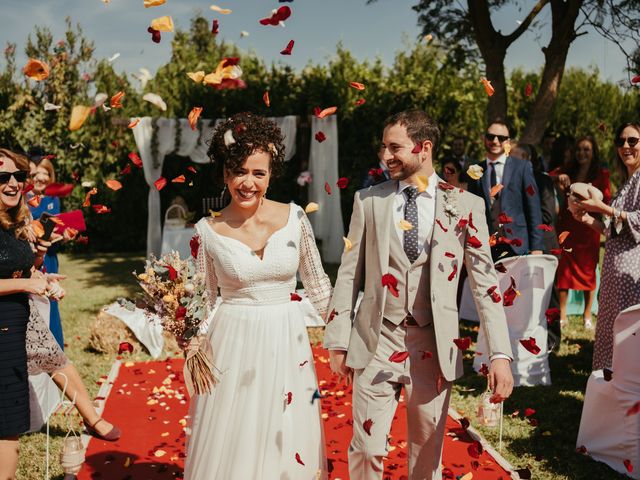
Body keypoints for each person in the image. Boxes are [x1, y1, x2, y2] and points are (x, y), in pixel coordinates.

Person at [324, 110, 514, 480]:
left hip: (433, 343)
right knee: (366, 448)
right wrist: (336, 339)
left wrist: (500, 354)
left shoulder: (465, 206)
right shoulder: (368, 201)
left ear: (423, 148)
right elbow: (349, 275)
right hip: (376, 339)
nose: (385, 155)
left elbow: (486, 286)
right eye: (383, 147)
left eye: (394, 147)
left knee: (426, 454)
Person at [184, 113, 332, 479]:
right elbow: (201, 297)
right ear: (224, 174)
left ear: (270, 175)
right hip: (232, 344)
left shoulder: (296, 218)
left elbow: (318, 287)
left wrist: (346, 334)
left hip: (287, 341)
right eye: (238, 171)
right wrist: (193, 342)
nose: (247, 182)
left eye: (258, 173)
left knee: (285, 431)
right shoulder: (207, 230)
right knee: (236, 436)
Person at [0, 148, 53, 479]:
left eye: (19, 176)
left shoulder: (12, 224)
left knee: (9, 433)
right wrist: (27, 287)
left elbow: (18, 274)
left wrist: (40, 271)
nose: (13, 183)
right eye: (2, 177)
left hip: (12, 335)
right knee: (8, 436)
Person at [570, 122, 640, 370]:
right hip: (613, 274)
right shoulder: (627, 181)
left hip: (632, 275)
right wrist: (587, 218)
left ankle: (625, 398)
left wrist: (601, 208)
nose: (625, 146)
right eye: (620, 141)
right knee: (611, 334)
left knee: (628, 339)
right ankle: (610, 397)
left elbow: (638, 221)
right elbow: (613, 231)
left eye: (632, 141)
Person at [467, 120, 544, 260]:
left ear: (507, 142)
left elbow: (534, 208)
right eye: (491, 137)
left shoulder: (522, 167)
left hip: (518, 245)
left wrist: (537, 247)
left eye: (501, 138)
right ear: (484, 138)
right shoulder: (475, 170)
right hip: (486, 246)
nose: (495, 141)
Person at [555, 136, 611, 329]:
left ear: (593, 152)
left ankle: (588, 314)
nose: (582, 153)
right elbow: (550, 178)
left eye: (586, 150)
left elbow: (606, 199)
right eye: (579, 149)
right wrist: (560, 183)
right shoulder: (567, 172)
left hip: (588, 228)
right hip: (568, 227)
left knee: (588, 272)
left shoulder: (602, 174)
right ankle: (562, 313)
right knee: (564, 271)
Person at [28, 154, 64, 349]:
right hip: (30, 256)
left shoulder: (53, 198)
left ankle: (56, 348)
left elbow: (57, 225)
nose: (41, 177)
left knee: (52, 301)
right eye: (37, 172)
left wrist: (65, 234)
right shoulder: (22, 199)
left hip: (49, 257)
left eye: (46, 173)